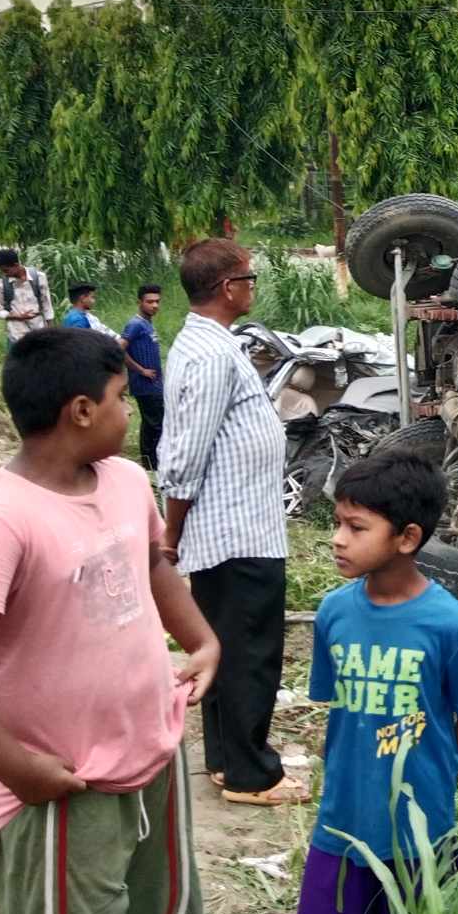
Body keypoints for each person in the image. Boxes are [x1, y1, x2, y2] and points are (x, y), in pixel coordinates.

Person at [0, 327, 219, 914]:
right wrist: (17, 768)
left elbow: (150, 563)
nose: (127, 411)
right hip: (68, 783)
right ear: (81, 411)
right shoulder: (2, 521)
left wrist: (201, 640)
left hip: (155, 749)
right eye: (121, 397)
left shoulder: (125, 480)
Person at [297, 454, 458, 914]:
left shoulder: (449, 625)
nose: (338, 539)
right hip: (342, 816)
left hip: (418, 828)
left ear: (407, 538)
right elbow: (337, 712)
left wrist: (442, 782)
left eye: (356, 528)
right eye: (338, 523)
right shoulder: (333, 614)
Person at [157, 240, 305, 807]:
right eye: (250, 277)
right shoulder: (212, 354)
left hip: (232, 527)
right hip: (235, 532)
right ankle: (251, 775)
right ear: (227, 288)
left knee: (221, 646)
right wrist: (171, 534)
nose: (253, 285)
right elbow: (185, 455)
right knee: (250, 652)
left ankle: (225, 759)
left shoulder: (209, 344)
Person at [122, 283, 167, 472]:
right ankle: (150, 465)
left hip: (154, 384)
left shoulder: (147, 323)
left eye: (157, 301)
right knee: (153, 424)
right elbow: (119, 348)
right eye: (150, 302)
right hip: (145, 384)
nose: (154, 305)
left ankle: (153, 462)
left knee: (155, 423)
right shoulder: (135, 324)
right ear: (140, 302)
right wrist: (141, 370)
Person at [0, 248, 53, 343]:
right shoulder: (0, 285)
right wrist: (18, 317)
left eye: (6, 270)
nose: (4, 274)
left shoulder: (39, 278)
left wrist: (50, 329)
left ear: (16, 265)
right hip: (16, 336)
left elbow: (46, 304)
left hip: (39, 332)